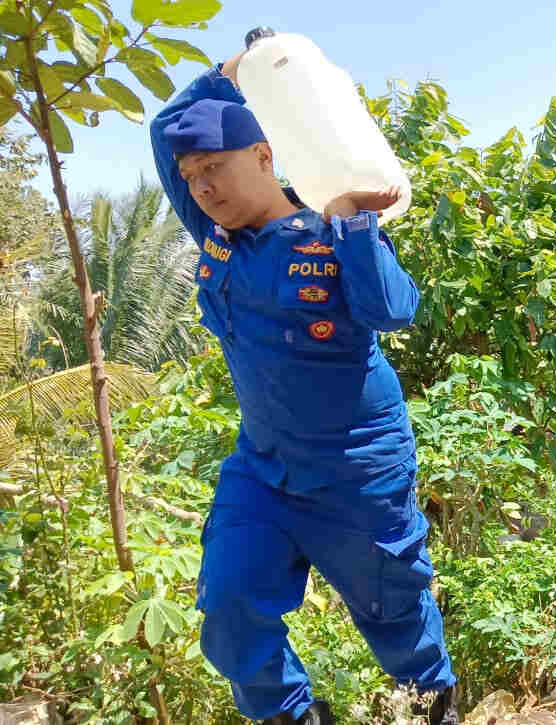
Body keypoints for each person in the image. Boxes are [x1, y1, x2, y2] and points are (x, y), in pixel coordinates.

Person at [150, 51, 456, 725]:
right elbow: (165, 127)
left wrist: (353, 223)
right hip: (261, 468)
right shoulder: (215, 236)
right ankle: (293, 716)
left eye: (214, 168)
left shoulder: (329, 229)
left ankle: (436, 701)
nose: (201, 188)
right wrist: (229, 73)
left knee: (394, 610)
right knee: (228, 601)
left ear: (263, 154)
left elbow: (392, 309)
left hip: (356, 467)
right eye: (191, 176)